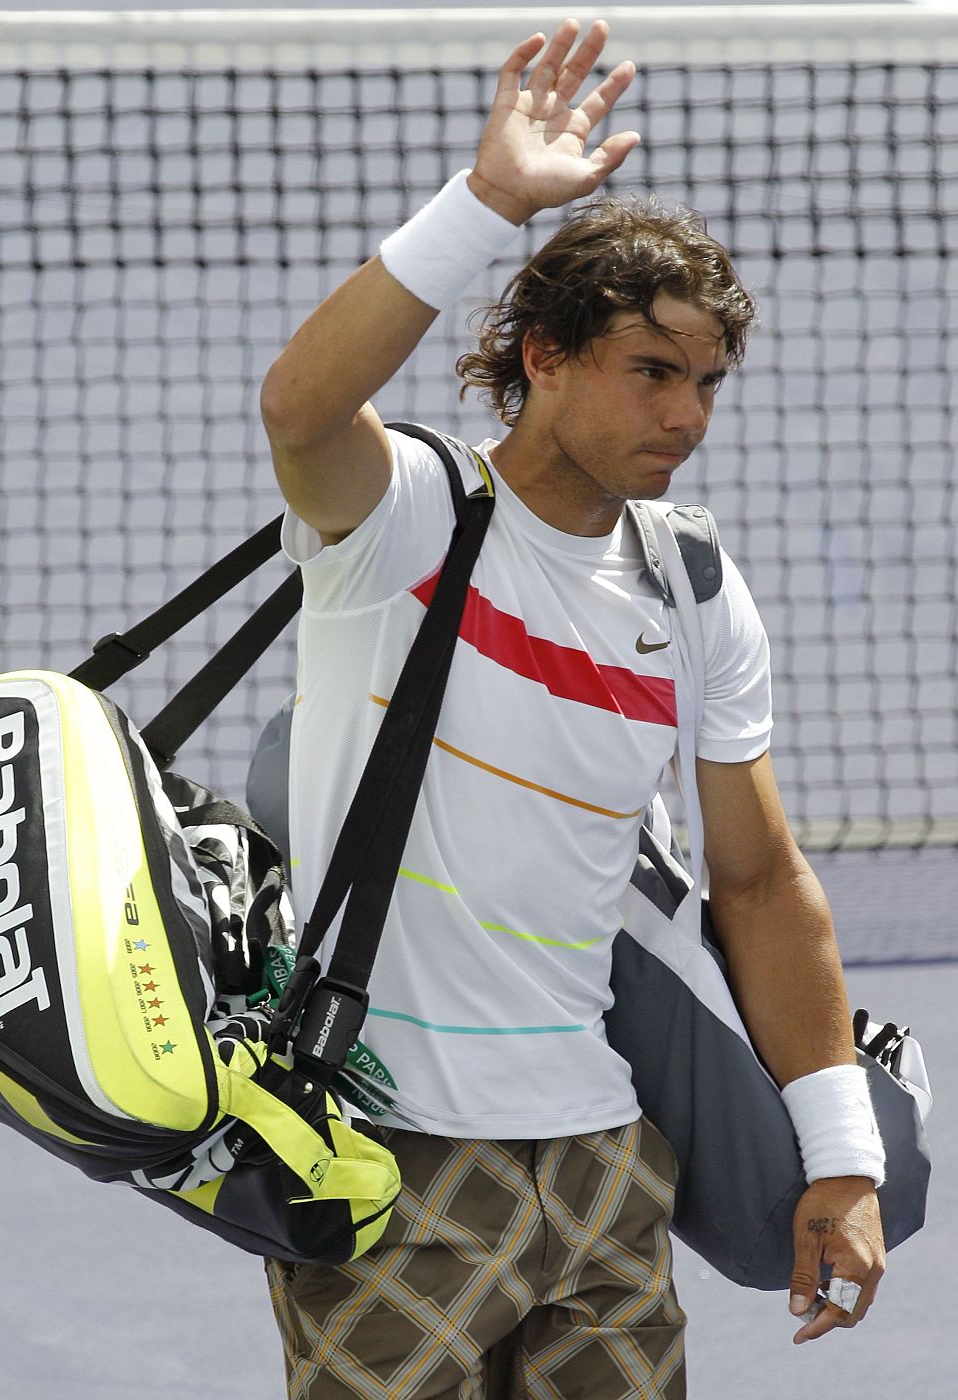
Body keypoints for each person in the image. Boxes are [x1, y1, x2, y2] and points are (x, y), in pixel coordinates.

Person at [259, 18, 886, 1399]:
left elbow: (761, 882)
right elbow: (303, 406)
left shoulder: (694, 583)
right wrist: (484, 202)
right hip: (390, 1150)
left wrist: (837, 1153)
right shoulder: (405, 518)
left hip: (606, 1154)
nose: (687, 415)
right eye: (650, 371)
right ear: (542, 356)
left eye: (707, 381)